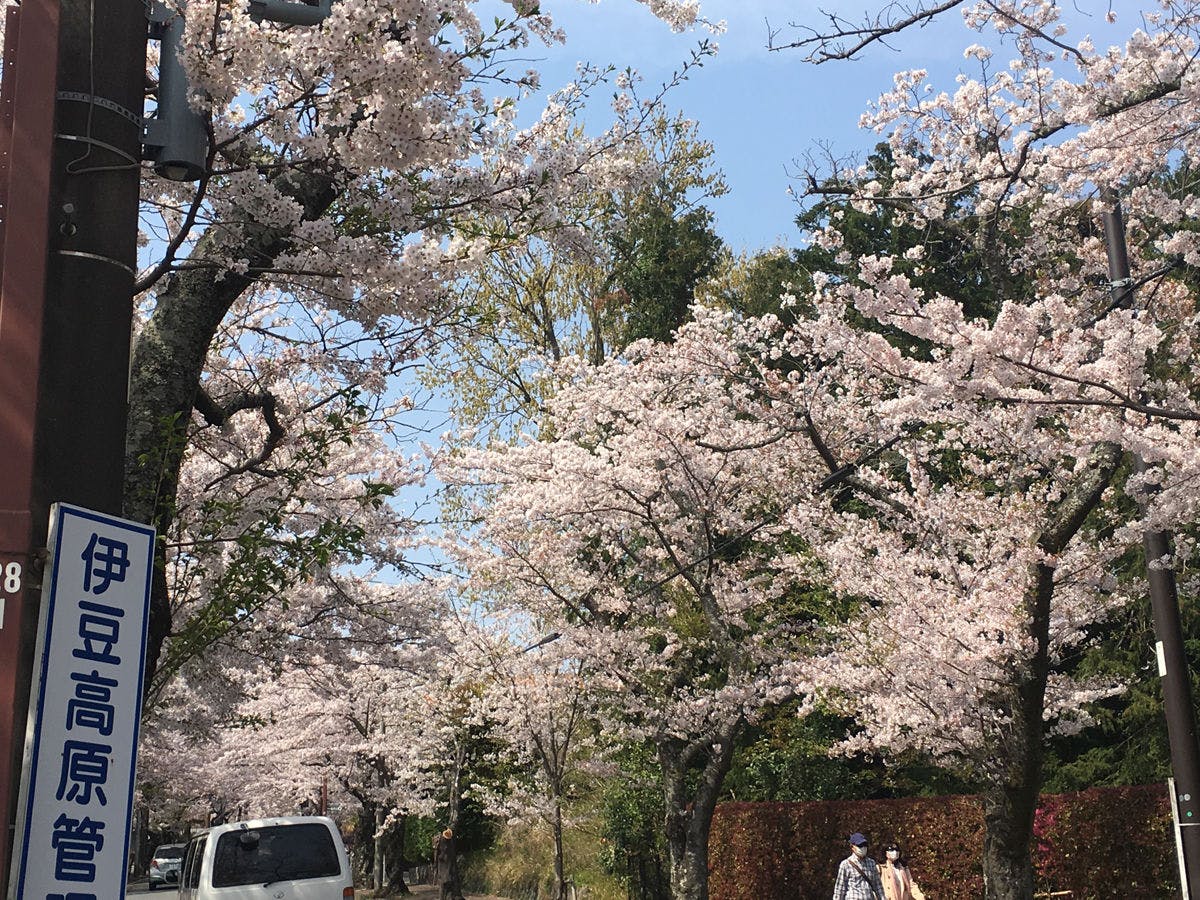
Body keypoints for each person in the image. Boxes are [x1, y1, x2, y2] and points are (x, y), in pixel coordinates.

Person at [833, 832, 886, 900]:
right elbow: (840, 889)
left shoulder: (871, 863)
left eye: (865, 845)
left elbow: (878, 886)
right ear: (852, 847)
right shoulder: (846, 864)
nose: (863, 848)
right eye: (860, 845)